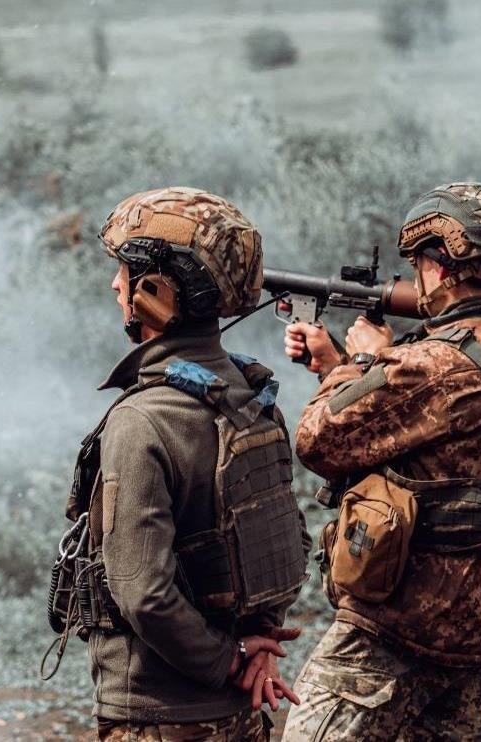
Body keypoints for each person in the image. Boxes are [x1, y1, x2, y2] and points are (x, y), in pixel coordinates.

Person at [281, 183, 481, 740]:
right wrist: (339, 366)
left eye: (418, 264)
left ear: (439, 265)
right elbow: (423, 437)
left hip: (398, 627)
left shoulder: (434, 363)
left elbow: (318, 440)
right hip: (478, 628)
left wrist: (361, 361)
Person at [61, 186, 310, 741]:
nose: (116, 285)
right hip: (240, 713)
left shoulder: (143, 419)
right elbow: (282, 543)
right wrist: (254, 645)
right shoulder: (252, 398)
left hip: (159, 716)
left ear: (156, 291)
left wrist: (230, 658)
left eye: (126, 272)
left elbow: (142, 592)